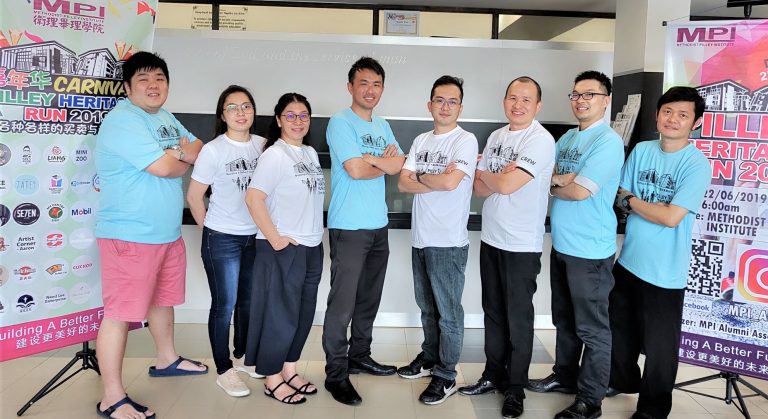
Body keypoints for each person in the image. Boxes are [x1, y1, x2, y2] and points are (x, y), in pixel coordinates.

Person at [94, 51, 206, 419]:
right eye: (143, 79)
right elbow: (163, 167)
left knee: (162, 299)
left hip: (165, 233)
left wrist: (177, 154)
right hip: (130, 235)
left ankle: (166, 359)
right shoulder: (124, 120)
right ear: (127, 88)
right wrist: (177, 156)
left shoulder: (165, 117)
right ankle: (112, 397)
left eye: (159, 78)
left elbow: (198, 149)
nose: (153, 85)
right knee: (120, 314)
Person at [527, 70, 624, 419]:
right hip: (563, 245)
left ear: (605, 100)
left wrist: (556, 184)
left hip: (590, 252)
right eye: (576, 94)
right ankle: (565, 376)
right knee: (564, 320)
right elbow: (546, 178)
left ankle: (590, 400)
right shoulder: (568, 137)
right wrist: (559, 181)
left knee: (592, 328)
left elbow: (580, 191)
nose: (581, 100)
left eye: (589, 94)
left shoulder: (608, 142)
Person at [609, 87, 710, 419]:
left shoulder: (696, 164)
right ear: (656, 115)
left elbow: (671, 218)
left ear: (695, 123)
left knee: (660, 349)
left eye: (683, 115)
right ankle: (623, 381)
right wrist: (642, 204)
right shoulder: (642, 150)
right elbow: (619, 195)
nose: (673, 119)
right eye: (667, 111)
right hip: (629, 262)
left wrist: (634, 202)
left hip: (665, 272)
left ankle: (652, 410)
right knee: (619, 333)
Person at [460, 76, 555, 418]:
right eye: (513, 98)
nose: (518, 105)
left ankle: (515, 388)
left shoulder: (540, 140)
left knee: (518, 317)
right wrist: (497, 177)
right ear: (504, 101)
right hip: (492, 237)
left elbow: (507, 184)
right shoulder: (497, 136)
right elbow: (480, 188)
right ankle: (492, 375)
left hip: (521, 244)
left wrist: (493, 176)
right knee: (493, 312)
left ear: (538, 105)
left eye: (526, 99)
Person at [322, 56, 405, 406]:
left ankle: (360, 356)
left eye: (376, 84)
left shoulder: (383, 124)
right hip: (349, 226)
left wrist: (373, 161)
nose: (370, 90)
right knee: (342, 305)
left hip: (378, 225)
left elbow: (401, 163)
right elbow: (355, 171)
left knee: (369, 298)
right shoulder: (340, 122)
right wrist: (381, 163)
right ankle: (336, 374)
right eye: (364, 83)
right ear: (350, 87)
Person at [396, 75, 478, 405]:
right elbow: (403, 184)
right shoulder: (421, 140)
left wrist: (420, 175)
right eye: (439, 101)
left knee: (449, 313)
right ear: (429, 105)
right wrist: (433, 177)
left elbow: (450, 184)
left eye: (452, 101)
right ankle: (430, 358)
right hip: (421, 239)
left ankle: (446, 375)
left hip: (448, 242)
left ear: (460, 107)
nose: (445, 107)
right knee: (427, 309)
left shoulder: (465, 141)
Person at [244, 93, 325, 405]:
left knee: (302, 314)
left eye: (303, 115)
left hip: (311, 246)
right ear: (278, 120)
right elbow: (253, 198)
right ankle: (272, 377)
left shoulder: (310, 153)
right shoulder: (274, 155)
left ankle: (289, 369)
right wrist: (276, 238)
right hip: (283, 248)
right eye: (290, 115)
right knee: (279, 315)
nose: (298, 121)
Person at [187, 85, 266, 397]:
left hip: (255, 237)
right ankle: (224, 369)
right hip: (222, 239)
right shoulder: (213, 150)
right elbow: (194, 197)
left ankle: (242, 356)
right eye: (232, 107)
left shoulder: (263, 145)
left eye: (246, 106)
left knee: (248, 302)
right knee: (225, 305)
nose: (240, 113)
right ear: (222, 115)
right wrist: (212, 231)